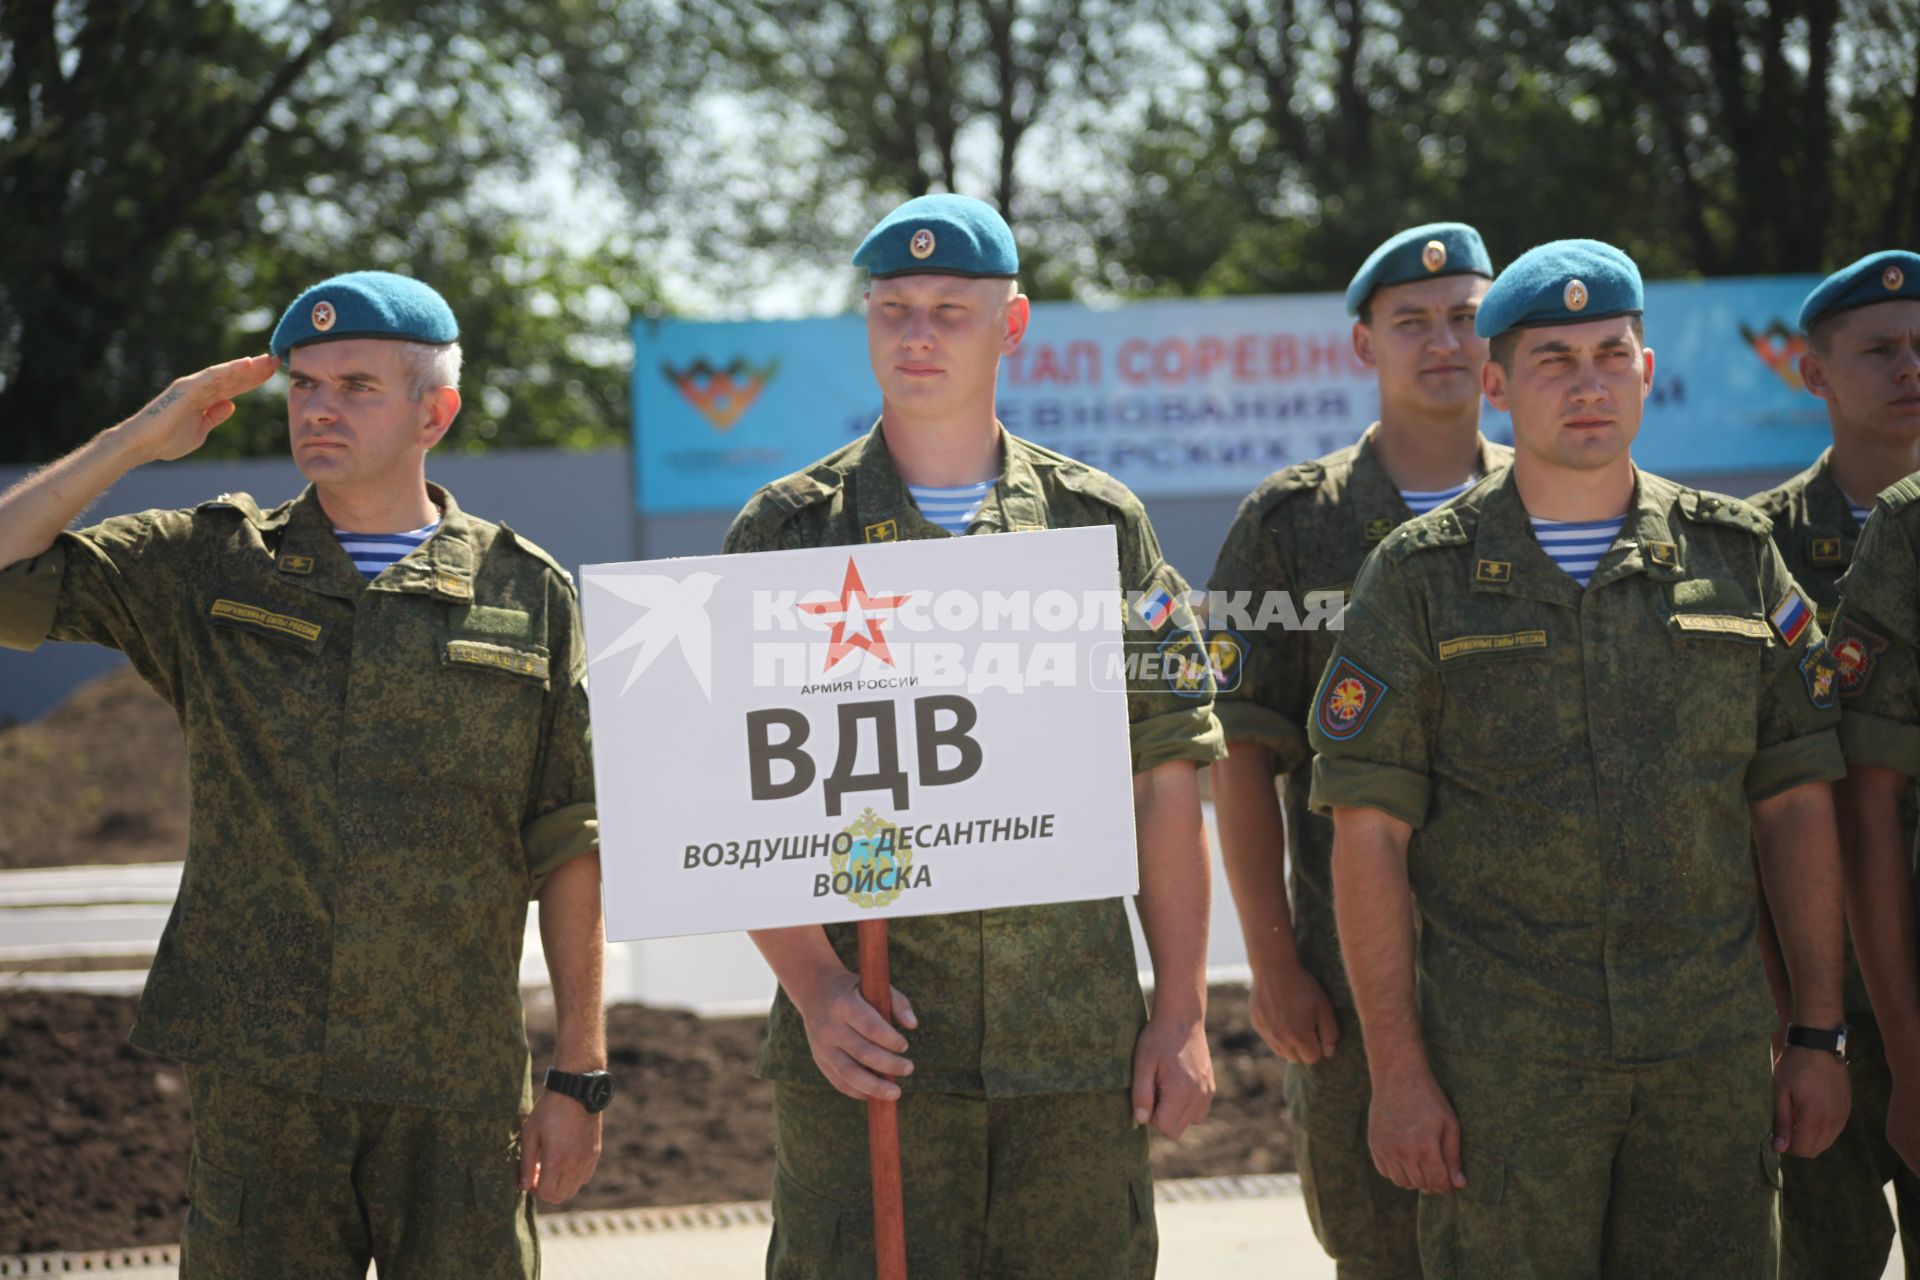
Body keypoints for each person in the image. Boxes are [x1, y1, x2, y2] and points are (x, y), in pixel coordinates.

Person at [0, 271, 608, 1278]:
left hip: (454, 1087)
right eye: (305, 384)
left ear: (435, 412)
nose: (321, 407)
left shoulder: (522, 590)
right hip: (263, 1083)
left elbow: (568, 838)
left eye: (357, 385)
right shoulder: (212, 562)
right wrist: (136, 441)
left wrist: (579, 1070)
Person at [1308, 239, 1851, 1278]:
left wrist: (1819, 1034)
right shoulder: (1420, 578)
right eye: (1555, 360)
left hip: (1707, 1065)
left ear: (1648, 371)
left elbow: (1794, 807)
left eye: (1612, 352)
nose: (1590, 382)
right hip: (1504, 1078)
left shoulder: (1737, 557)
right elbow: (1368, 835)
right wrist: (1399, 1071)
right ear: (1499, 382)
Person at [723, 193, 1224, 1279]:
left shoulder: (1100, 524)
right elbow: (735, 791)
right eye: (892, 306)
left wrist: (1179, 1009)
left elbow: (1163, 776)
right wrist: (815, 986)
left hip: (1072, 1060)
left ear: (1013, 324)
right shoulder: (787, 532)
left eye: (951, 308)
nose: (916, 333)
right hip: (872, 1052)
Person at [1206, 221, 1508, 1279]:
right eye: (1410, 321)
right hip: (1349, 983)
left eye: (1466, 316)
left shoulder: (1556, 502)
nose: (1443, 342)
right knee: (1381, 1248)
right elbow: (1240, 755)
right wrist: (1273, 961)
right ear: (1361, 346)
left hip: (1538, 978)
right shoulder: (1292, 524)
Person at [1748, 248, 1920, 1279]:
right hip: (1809, 1004)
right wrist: (1784, 1020)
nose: (1910, 367)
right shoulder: (1750, 547)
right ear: (1814, 374)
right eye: (1881, 349)